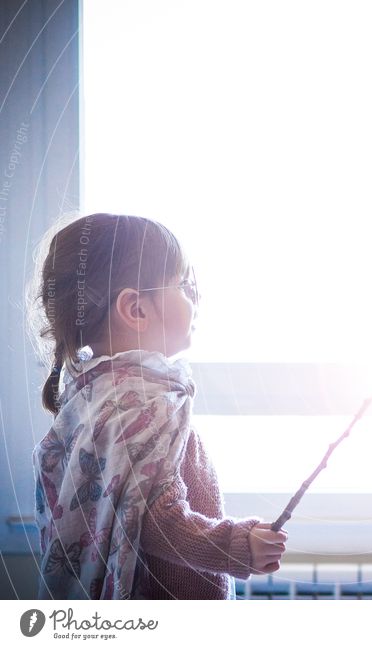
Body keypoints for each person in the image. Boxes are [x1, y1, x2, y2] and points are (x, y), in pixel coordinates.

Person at [29, 212, 287, 599]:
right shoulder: (148, 404)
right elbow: (154, 519)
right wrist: (235, 544)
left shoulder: (93, 395)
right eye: (183, 285)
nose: (196, 298)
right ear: (136, 310)